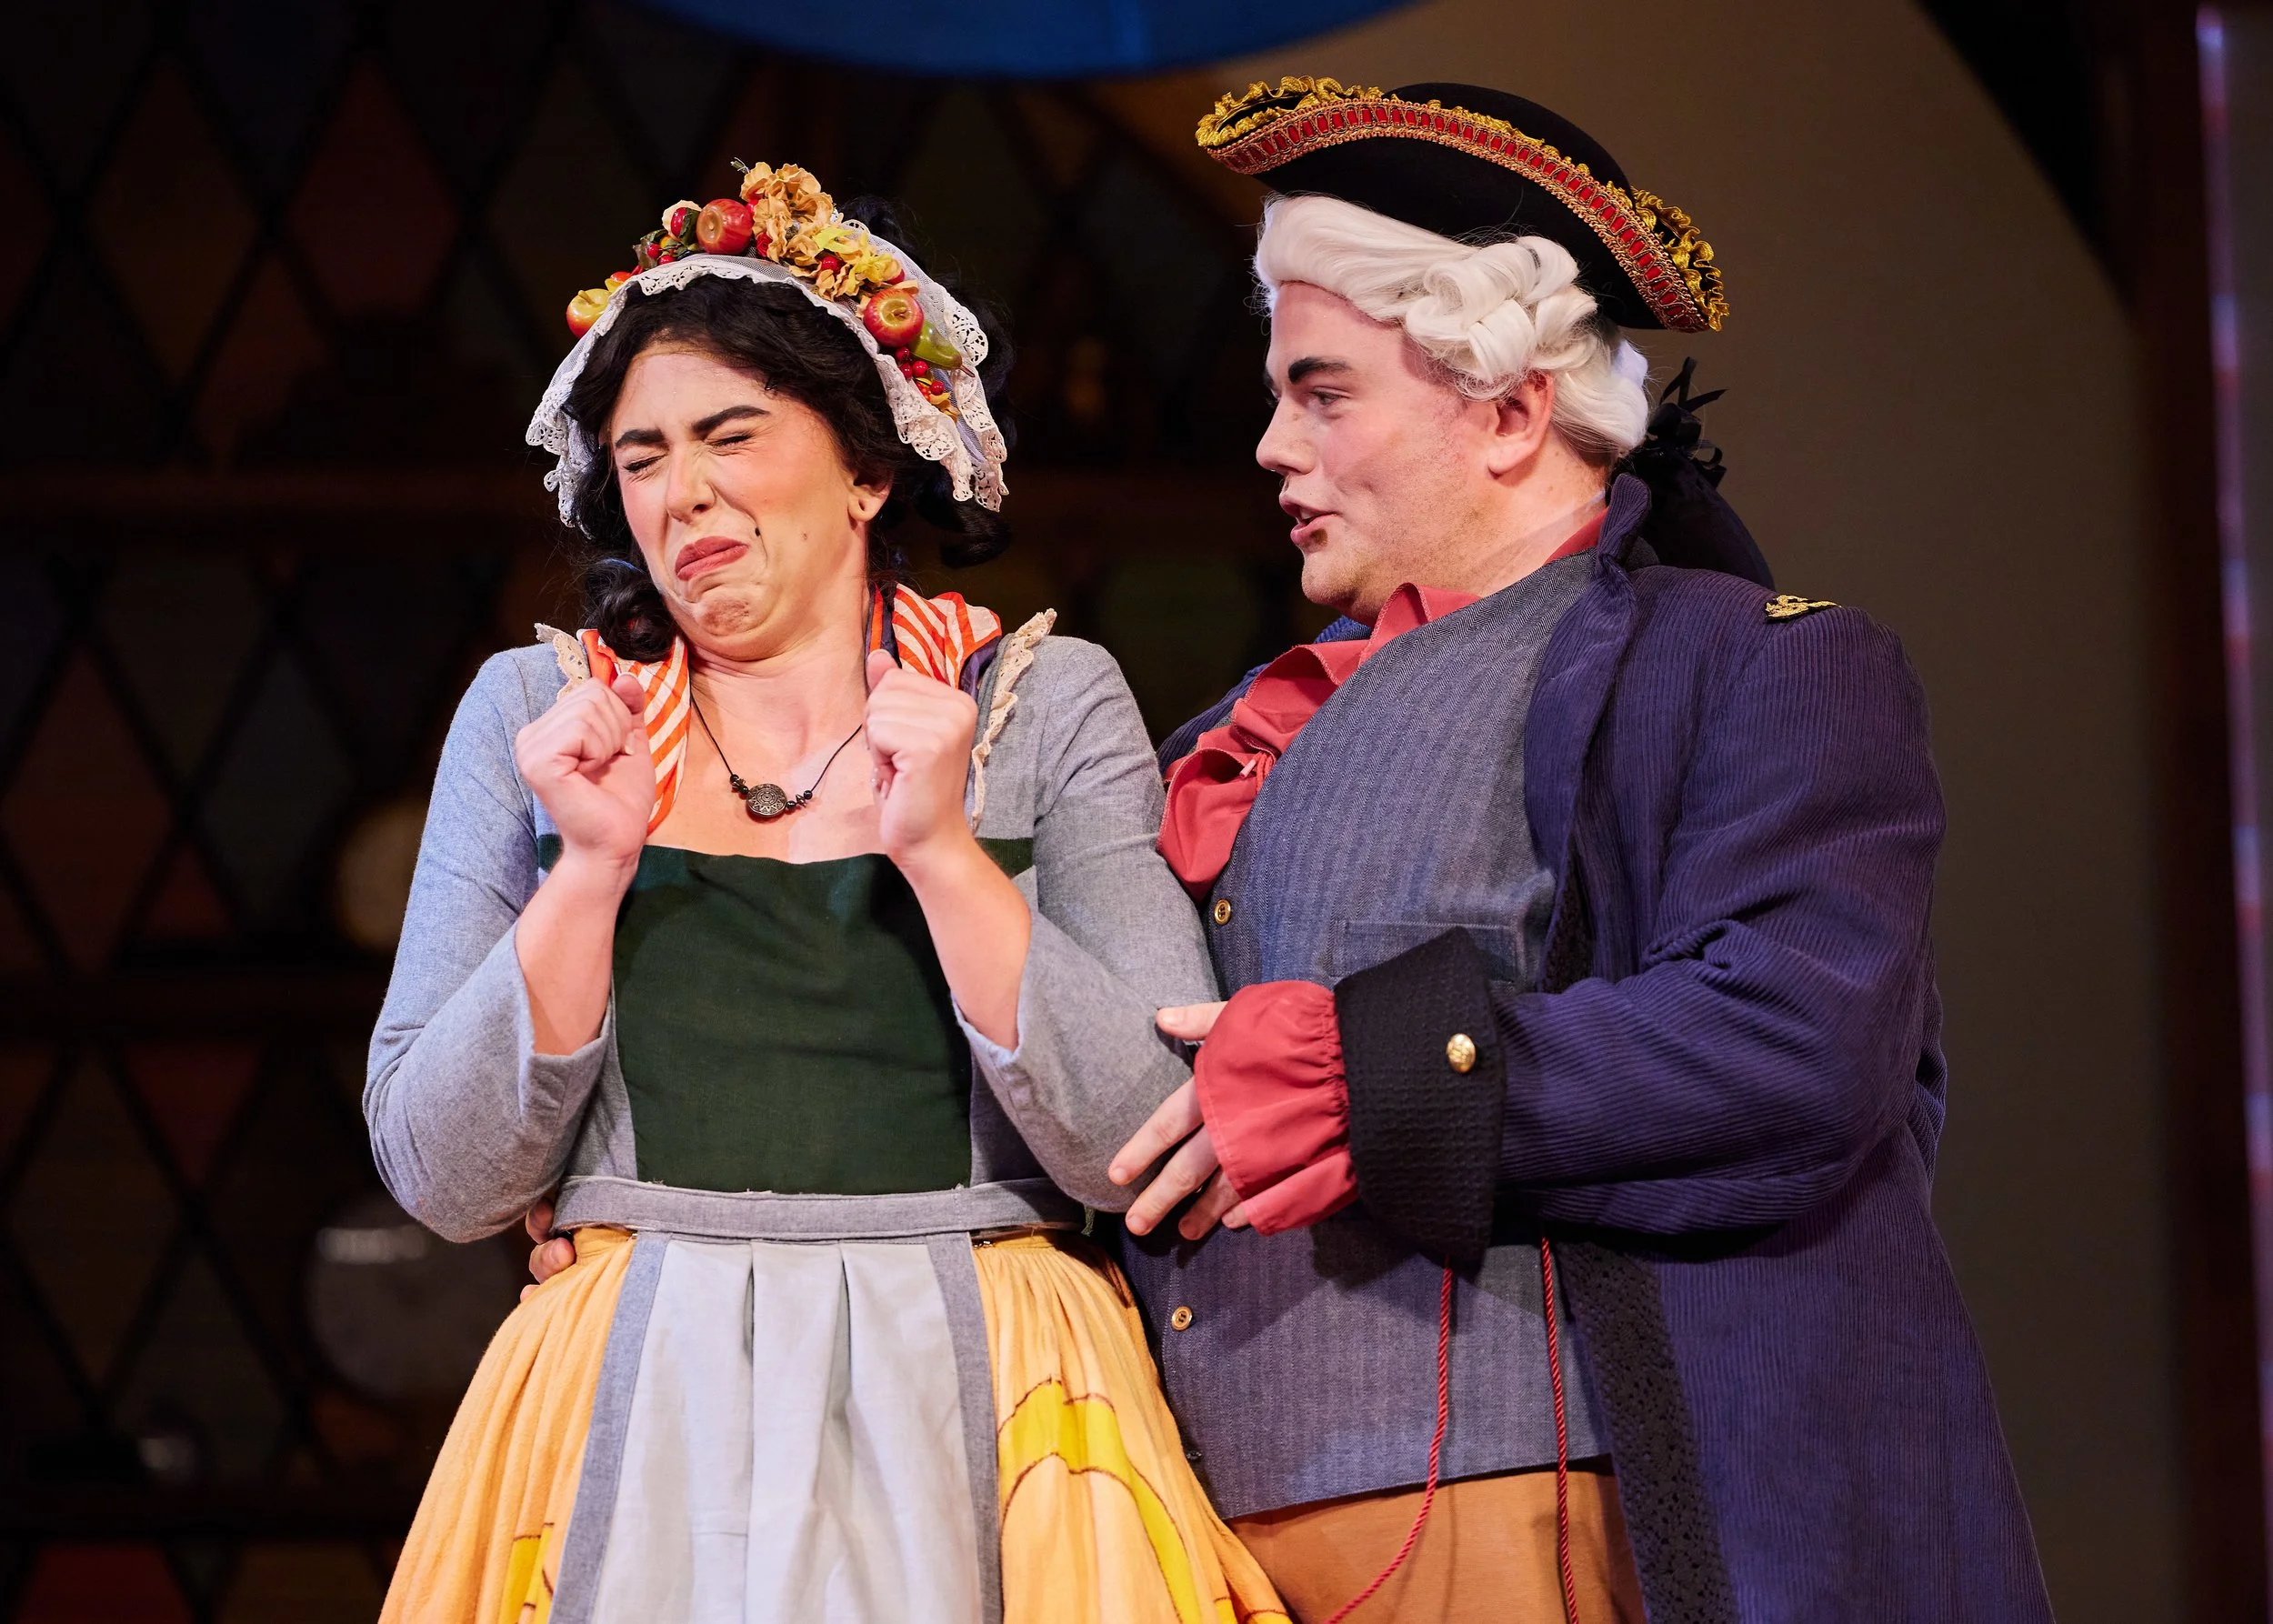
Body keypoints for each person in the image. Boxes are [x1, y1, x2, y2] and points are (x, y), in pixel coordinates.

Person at [1095, 78, 2056, 1622]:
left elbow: (1797, 1035)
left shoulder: (1754, 665)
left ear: (1510, 410)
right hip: (1186, 1538)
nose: (1271, 445)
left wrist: (1371, 1072)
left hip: (1521, 1520)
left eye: (1324, 394)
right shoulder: (1235, 728)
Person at [365, 162, 1284, 1624]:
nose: (683, 490)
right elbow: (441, 1172)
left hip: (986, 1392)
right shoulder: (544, 717)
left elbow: (1148, 1140)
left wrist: (945, 853)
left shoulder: (1035, 707)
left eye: (732, 434)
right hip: (639, 1405)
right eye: (643, 456)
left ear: (868, 469)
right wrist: (587, 872)